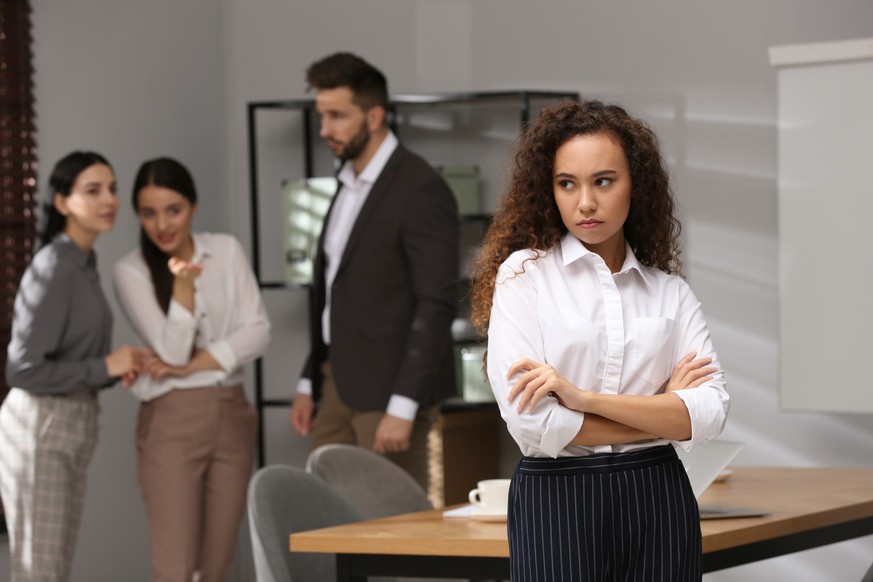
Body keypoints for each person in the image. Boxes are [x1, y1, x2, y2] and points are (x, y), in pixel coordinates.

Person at [470, 100, 729, 581]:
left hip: (659, 498)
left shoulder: (669, 293)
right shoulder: (524, 277)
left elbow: (710, 412)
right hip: (556, 501)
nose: (584, 202)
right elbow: (535, 425)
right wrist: (667, 412)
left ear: (637, 186)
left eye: (603, 181)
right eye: (567, 183)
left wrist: (583, 400)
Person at [288, 52, 459, 489]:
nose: (324, 129)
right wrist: (311, 378)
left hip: (390, 394)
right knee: (327, 524)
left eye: (337, 116)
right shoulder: (345, 186)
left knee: (392, 534)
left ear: (375, 115)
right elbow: (335, 292)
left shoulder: (421, 189)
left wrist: (403, 406)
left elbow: (435, 302)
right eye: (321, 116)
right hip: (336, 385)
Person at [112, 157, 270, 582]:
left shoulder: (226, 250)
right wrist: (182, 285)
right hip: (170, 419)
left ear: (194, 206)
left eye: (173, 210)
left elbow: (258, 332)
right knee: (176, 567)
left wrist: (197, 364)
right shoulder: (130, 271)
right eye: (148, 213)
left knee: (218, 565)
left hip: (232, 412)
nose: (162, 224)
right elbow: (173, 351)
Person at [0, 151, 146, 582]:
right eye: (93, 190)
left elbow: (73, 357)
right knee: (39, 571)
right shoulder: (53, 267)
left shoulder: (83, 264)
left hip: (72, 423)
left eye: (113, 189)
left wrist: (116, 368)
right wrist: (104, 365)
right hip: (40, 428)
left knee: (54, 569)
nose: (109, 200)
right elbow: (22, 372)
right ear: (62, 202)